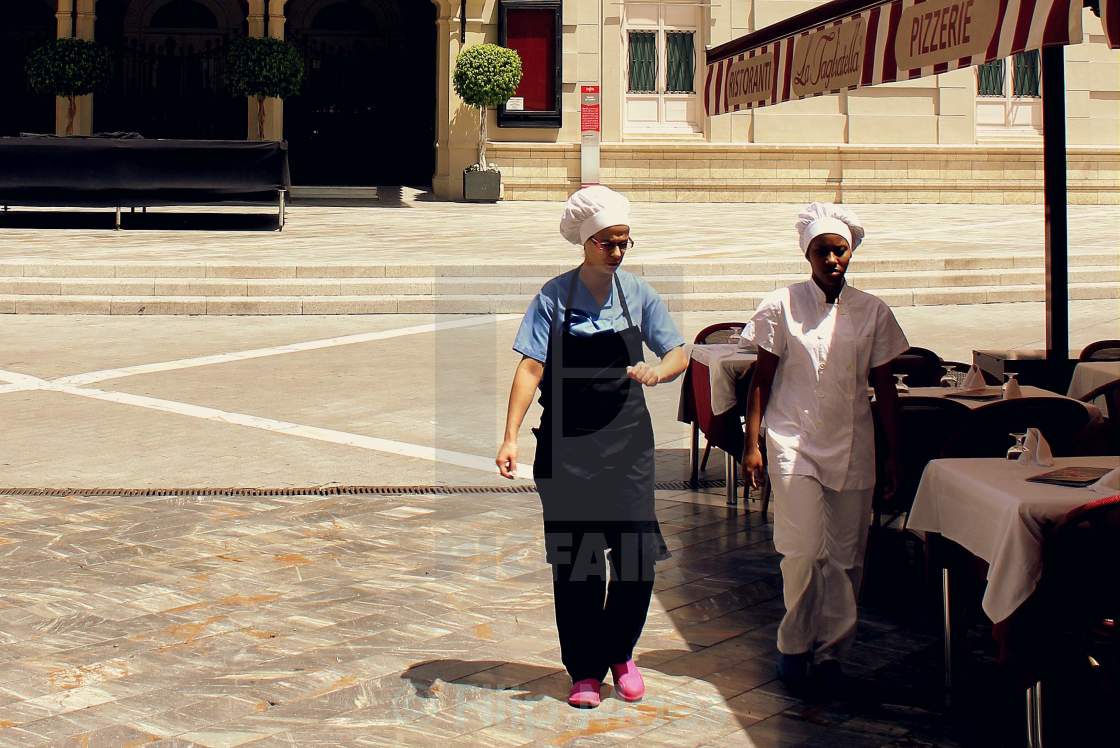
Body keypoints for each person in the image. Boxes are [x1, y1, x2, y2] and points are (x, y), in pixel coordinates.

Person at [496, 186, 688, 709]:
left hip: (627, 445)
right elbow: (531, 368)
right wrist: (511, 435)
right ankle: (584, 669)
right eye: (608, 242)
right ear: (586, 242)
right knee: (578, 563)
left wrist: (658, 370)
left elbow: (677, 350)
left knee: (636, 559)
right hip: (568, 448)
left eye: (624, 242)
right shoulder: (553, 298)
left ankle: (620, 653)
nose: (618, 252)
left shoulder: (639, 294)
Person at [741, 202, 907, 695]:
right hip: (793, 441)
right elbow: (761, 380)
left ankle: (834, 652)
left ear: (851, 252)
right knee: (803, 549)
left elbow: (886, 390)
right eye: (823, 252)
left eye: (840, 251)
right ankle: (794, 646)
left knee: (846, 558)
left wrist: (894, 454)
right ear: (807, 256)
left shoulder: (873, 311)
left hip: (854, 442)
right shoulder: (781, 305)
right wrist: (752, 443)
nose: (833, 260)